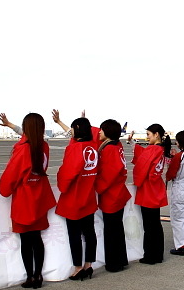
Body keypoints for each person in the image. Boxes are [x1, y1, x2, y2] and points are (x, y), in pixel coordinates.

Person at [0, 113, 56, 289]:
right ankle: (38, 275)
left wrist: (4, 190)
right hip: (40, 196)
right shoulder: (44, 146)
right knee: (37, 238)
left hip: (25, 198)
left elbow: (11, 176)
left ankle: (30, 275)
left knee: (26, 240)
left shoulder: (23, 148)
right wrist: (10, 125)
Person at [55, 117, 98, 281]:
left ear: (77, 129)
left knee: (74, 235)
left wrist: (62, 185)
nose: (70, 132)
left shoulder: (75, 148)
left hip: (74, 198)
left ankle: (78, 267)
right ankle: (89, 264)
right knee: (89, 233)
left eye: (73, 129)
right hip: (88, 196)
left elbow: (67, 174)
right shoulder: (92, 146)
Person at [130, 124, 170, 265]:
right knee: (156, 224)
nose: (147, 137)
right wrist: (133, 144)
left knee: (149, 225)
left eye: (148, 134)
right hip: (156, 188)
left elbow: (141, 166)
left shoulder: (153, 149)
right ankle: (158, 254)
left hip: (148, 190)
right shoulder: (161, 149)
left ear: (156, 134)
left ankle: (150, 255)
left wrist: (137, 182)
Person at [95, 119, 131, 272]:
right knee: (117, 229)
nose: (99, 132)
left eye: (102, 130)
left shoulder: (109, 149)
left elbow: (109, 174)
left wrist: (98, 188)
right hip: (118, 192)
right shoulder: (117, 146)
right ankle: (121, 259)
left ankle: (114, 263)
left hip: (112, 195)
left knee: (111, 231)